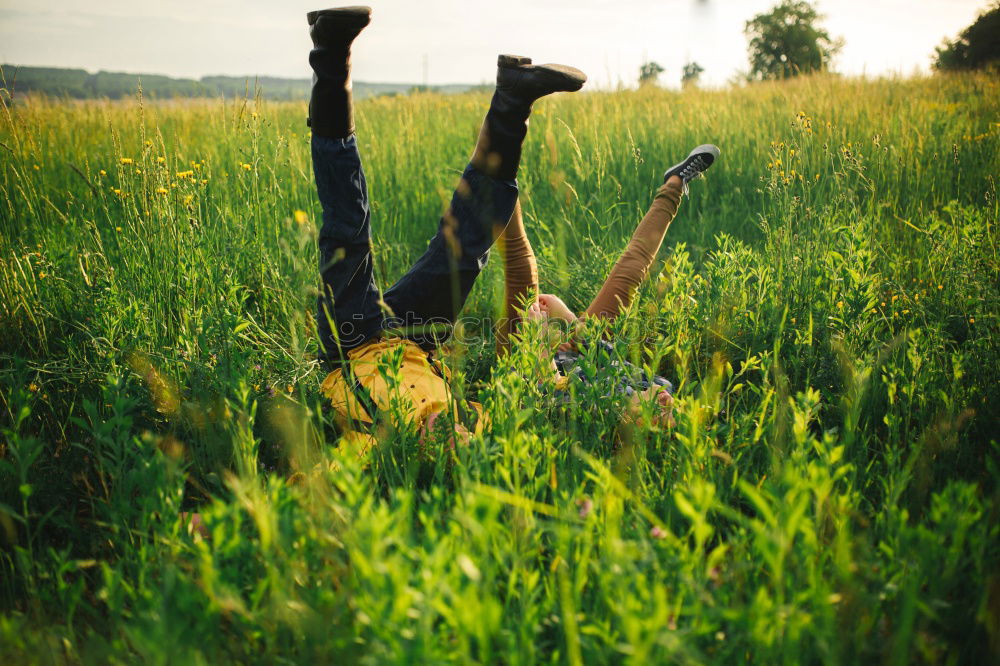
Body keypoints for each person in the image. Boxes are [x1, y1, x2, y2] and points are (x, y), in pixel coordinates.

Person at [307, 6, 587, 451]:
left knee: (347, 221)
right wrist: (552, 380)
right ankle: (513, 98)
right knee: (467, 248)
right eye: (462, 438)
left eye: (447, 443)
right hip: (416, 336)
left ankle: (329, 51)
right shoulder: (471, 423)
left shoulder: (375, 444)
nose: (455, 434)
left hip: (351, 342)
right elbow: (515, 399)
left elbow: (322, 481)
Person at [495, 144, 720, 427]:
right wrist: (574, 327)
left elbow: (547, 395)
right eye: (678, 410)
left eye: (661, 416)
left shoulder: (594, 420)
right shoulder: (654, 388)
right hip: (580, 350)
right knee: (633, 268)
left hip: (526, 364)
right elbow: (611, 358)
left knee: (521, 265)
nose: (667, 403)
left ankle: (497, 169)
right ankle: (674, 185)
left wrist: (539, 342)